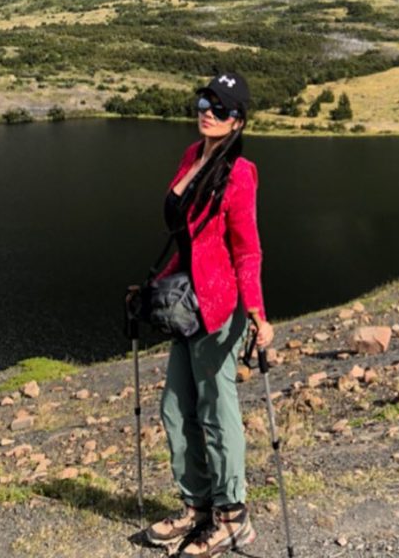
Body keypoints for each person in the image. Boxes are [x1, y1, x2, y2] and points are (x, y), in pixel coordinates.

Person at [143, 72, 274, 557]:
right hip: (185, 306)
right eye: (204, 101)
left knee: (217, 412)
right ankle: (197, 508)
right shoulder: (191, 157)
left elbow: (248, 251)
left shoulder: (240, 173)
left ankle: (233, 517)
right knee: (175, 409)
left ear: (237, 120)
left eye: (219, 107)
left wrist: (258, 313)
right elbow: (186, 237)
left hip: (221, 308)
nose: (207, 111)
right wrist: (158, 284)